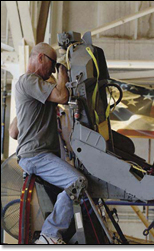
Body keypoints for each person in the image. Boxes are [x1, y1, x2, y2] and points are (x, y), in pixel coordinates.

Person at [14, 42, 87, 244]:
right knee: (77, 182)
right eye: (53, 64)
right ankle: (50, 235)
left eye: (56, 67)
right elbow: (62, 96)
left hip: (38, 156)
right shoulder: (29, 80)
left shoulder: (30, 89)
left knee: (71, 192)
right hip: (37, 156)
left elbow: (13, 132)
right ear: (40, 58)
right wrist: (62, 74)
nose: (53, 70)